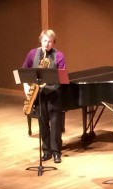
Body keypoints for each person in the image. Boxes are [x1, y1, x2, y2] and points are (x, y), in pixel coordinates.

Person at [22, 29, 66, 163]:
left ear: (53, 43)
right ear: (41, 40)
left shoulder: (59, 56)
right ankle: (46, 151)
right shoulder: (32, 54)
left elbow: (63, 77)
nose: (47, 44)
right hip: (39, 95)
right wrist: (26, 87)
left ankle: (57, 152)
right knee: (43, 124)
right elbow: (24, 71)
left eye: (50, 42)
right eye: (45, 41)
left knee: (55, 124)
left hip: (54, 94)